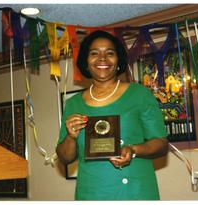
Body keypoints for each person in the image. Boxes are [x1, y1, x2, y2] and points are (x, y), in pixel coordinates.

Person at [56, 30, 168, 200]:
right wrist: (71, 137)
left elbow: (161, 144)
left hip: (135, 192)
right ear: (86, 62)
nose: (102, 58)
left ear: (118, 61)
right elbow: (64, 157)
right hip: (91, 192)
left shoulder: (139, 94)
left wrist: (133, 149)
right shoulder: (73, 104)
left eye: (110, 53)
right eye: (94, 53)